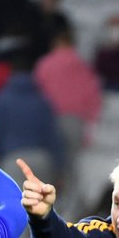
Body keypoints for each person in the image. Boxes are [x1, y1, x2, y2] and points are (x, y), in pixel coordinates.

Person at [0, 52, 65, 185]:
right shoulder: (42, 100)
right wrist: (60, 167)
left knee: (15, 204)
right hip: (41, 159)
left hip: (11, 160)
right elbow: (53, 135)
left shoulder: (1, 100)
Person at [35, 25, 102, 157]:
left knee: (50, 162)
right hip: (75, 121)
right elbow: (94, 97)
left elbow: (37, 92)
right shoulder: (83, 66)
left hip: (50, 119)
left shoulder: (44, 64)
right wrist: (90, 128)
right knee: (71, 164)